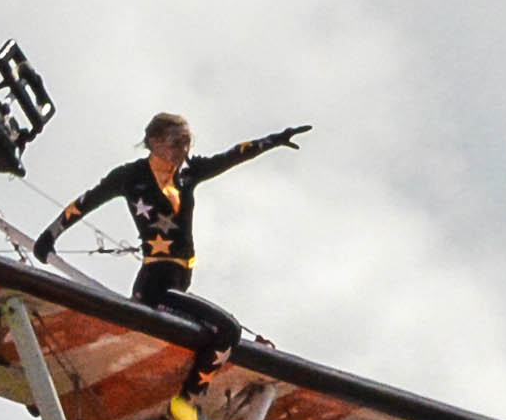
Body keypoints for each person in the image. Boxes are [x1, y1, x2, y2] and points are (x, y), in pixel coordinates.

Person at [35, 110, 306, 381]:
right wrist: (50, 235)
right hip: (155, 287)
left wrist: (274, 140)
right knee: (227, 331)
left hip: (180, 284)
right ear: (154, 141)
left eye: (188, 143)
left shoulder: (188, 173)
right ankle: (188, 397)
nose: (184, 150)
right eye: (177, 142)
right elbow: (85, 202)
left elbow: (232, 156)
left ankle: (182, 394)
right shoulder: (130, 176)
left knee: (207, 339)